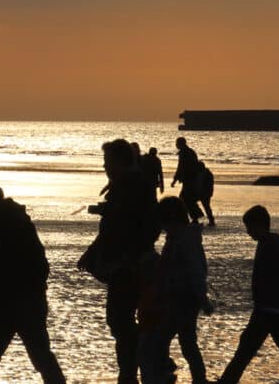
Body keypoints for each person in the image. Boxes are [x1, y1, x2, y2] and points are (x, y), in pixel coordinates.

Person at [78, 139, 161, 384]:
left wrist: (128, 256)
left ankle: (136, 370)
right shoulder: (126, 184)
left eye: (106, 161)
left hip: (128, 266)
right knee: (121, 320)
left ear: (118, 161)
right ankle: (135, 369)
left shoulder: (134, 185)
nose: (104, 166)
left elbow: (146, 227)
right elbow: (113, 227)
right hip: (122, 263)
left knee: (120, 320)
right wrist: (93, 252)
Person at [0, 180, 66, 384]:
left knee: (33, 355)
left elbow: (34, 266)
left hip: (19, 303)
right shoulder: (1, 222)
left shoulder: (10, 224)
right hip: (11, 303)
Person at [217, 205, 279, 384]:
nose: (248, 232)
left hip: (269, 307)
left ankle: (227, 381)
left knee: (250, 347)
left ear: (260, 225)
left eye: (249, 228)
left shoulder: (270, 246)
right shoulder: (268, 244)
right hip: (271, 307)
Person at [140, 196, 212, 384]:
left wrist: (202, 298)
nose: (163, 227)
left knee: (162, 339)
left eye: (164, 222)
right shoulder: (179, 238)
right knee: (186, 343)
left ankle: (164, 375)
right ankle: (197, 378)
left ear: (171, 219)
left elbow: (196, 270)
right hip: (180, 297)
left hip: (184, 298)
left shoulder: (184, 240)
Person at [171, 137, 203, 222]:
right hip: (191, 178)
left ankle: (193, 216)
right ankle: (194, 215)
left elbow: (180, 167)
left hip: (189, 179)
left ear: (180, 144)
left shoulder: (184, 153)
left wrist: (174, 180)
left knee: (185, 198)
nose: (176, 145)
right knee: (187, 198)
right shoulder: (190, 152)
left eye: (177, 143)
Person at [197, 161, 216, 227]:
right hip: (202, 192)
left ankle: (211, 220)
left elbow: (209, 185)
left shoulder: (206, 174)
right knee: (206, 206)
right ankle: (210, 220)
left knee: (206, 206)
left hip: (205, 193)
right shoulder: (204, 173)